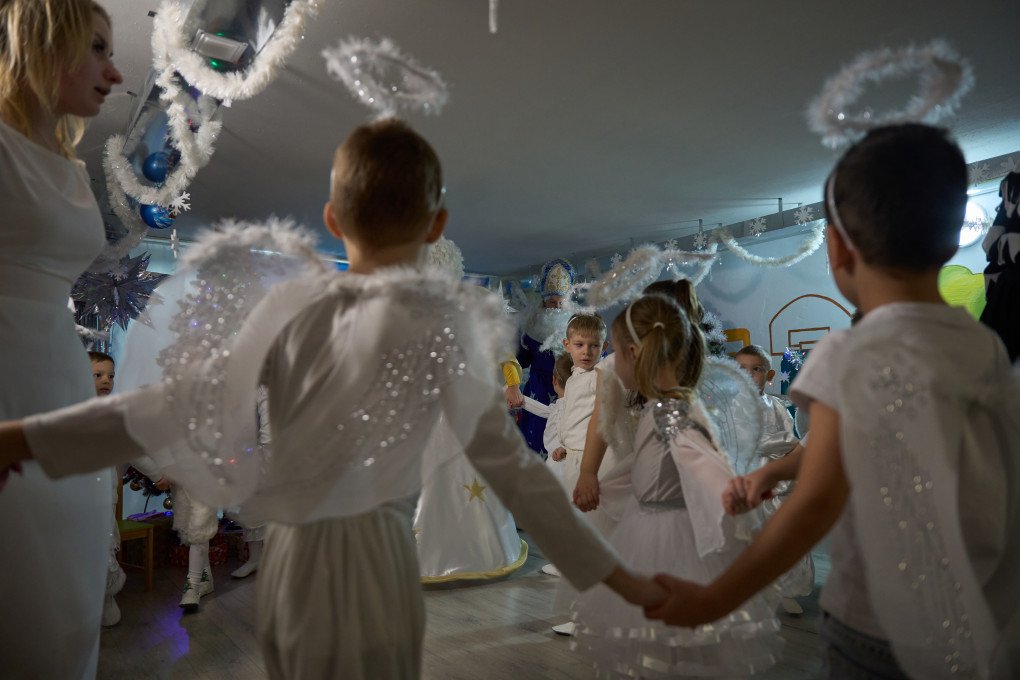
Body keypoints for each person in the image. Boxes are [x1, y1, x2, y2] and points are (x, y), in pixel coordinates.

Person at [0, 119, 665, 679]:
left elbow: (179, 404)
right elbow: (515, 476)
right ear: (437, 226)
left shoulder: (289, 310)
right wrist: (618, 578)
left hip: (297, 561)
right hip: (381, 561)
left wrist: (31, 440)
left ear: (331, 218)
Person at [645, 124, 1020, 680]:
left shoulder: (849, 350)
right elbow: (861, 440)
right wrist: (779, 465)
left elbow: (818, 500)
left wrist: (713, 599)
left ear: (838, 246)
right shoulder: (982, 345)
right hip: (980, 619)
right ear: (949, 240)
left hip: (878, 627)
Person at [0, 1, 123, 675]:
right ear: (48, 42)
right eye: (99, 48)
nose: (116, 70)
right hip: (8, 380)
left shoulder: (73, 166)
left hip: (62, 385)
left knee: (67, 607)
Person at [571, 294, 782, 677]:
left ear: (634, 353)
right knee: (653, 638)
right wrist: (602, 483)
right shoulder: (660, 405)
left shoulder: (671, 410)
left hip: (665, 535)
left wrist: (731, 487)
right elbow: (641, 464)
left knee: (665, 630)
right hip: (647, 519)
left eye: (616, 353)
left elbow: (699, 457)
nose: (612, 363)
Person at [732, 344, 813, 615]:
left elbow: (792, 438)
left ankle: (786, 589)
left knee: (784, 534)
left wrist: (785, 448)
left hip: (779, 484)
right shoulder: (732, 408)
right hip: (750, 479)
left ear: (769, 376)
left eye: (756, 370)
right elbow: (744, 441)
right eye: (741, 369)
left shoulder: (777, 405)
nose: (748, 375)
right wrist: (780, 445)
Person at [502, 258, 576, 455]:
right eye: (552, 302)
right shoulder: (530, 326)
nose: (557, 307)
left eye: (561, 302)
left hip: (569, 389)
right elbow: (520, 360)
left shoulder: (577, 326)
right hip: (538, 390)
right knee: (535, 438)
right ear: (543, 301)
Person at [88, 350, 127, 627]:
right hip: (79, 496)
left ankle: (106, 597)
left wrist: (159, 473)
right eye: (98, 375)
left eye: (110, 376)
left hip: (105, 495)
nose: (106, 381)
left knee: (103, 544)